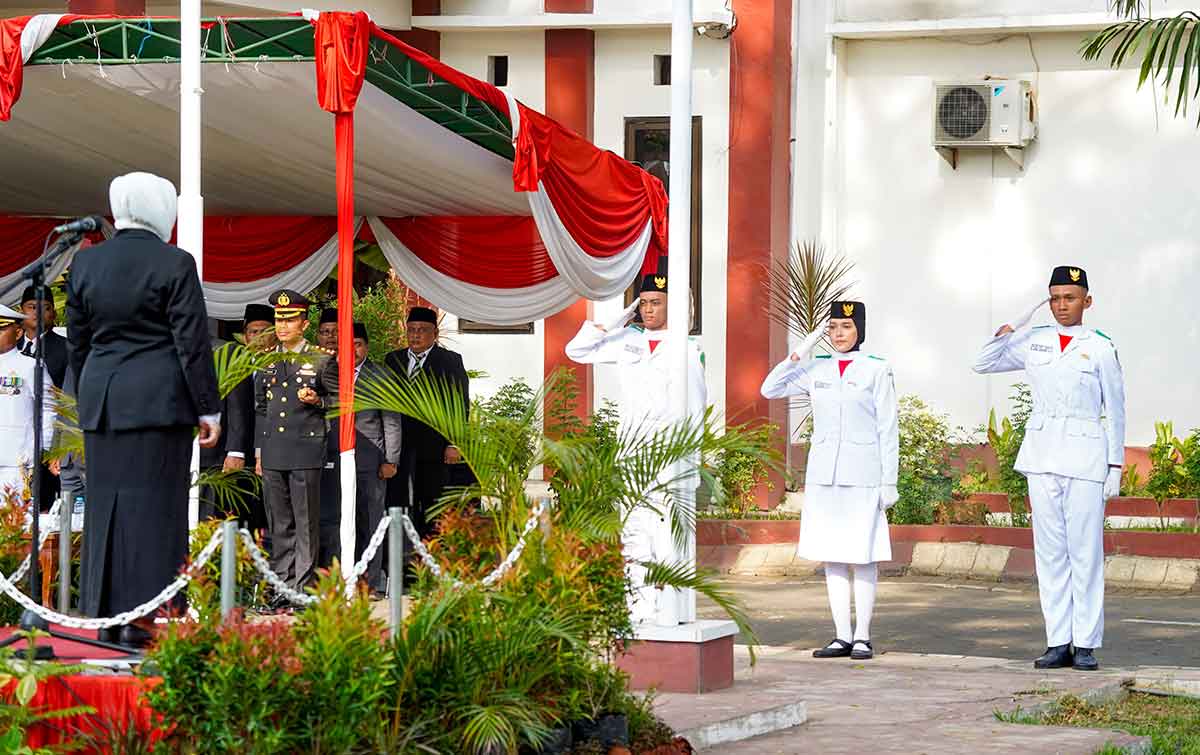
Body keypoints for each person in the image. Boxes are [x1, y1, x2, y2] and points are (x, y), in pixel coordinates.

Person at [67, 172, 220, 648]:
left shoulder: (86, 263)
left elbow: (78, 343)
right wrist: (208, 409)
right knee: (156, 509)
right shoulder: (174, 263)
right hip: (159, 402)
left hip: (105, 404)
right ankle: (148, 617)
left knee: (105, 507)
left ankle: (103, 612)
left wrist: (90, 394)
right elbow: (192, 343)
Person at [973, 266, 1125, 672]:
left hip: (1087, 458)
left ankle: (1086, 642)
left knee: (1085, 552)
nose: (1061, 305)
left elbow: (1116, 409)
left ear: (1086, 302)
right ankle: (1058, 640)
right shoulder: (1034, 341)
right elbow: (982, 362)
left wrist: (1116, 465)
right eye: (1055, 297)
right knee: (1051, 553)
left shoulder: (1101, 347)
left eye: (1070, 297)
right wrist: (1015, 324)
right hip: (1042, 456)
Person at [565, 273, 706, 626]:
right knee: (634, 528)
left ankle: (673, 610)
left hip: (671, 454)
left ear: (673, 305)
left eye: (655, 302)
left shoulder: (688, 348)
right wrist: (617, 319)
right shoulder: (628, 339)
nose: (648, 309)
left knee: (670, 532)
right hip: (633, 449)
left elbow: (696, 408)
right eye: (643, 303)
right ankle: (638, 608)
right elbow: (577, 351)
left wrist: (694, 461)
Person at [760, 301, 897, 660]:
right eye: (833, 327)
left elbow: (888, 428)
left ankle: (863, 636)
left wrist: (889, 482)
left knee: (863, 556)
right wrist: (804, 346)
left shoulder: (876, 370)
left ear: (860, 331)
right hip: (824, 475)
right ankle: (841, 636)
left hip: (864, 473)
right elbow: (769, 388)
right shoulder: (815, 368)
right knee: (833, 556)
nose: (838, 334)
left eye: (846, 327)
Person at [255, 289, 330, 597]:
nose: (283, 326)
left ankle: (302, 587)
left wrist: (319, 401)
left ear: (304, 323)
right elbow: (260, 407)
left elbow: (340, 403)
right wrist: (259, 451)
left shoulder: (321, 360)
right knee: (279, 523)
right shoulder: (266, 361)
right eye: (279, 320)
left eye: (290, 320)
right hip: (274, 451)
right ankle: (281, 585)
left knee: (305, 522)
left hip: (305, 450)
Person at [322, 323, 402, 595]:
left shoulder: (381, 375)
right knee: (334, 520)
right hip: (332, 456)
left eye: (357, 344)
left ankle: (371, 583)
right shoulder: (328, 371)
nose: (352, 350)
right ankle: (337, 580)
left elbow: (391, 420)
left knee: (370, 520)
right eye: (347, 345)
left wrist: (391, 459)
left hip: (370, 460)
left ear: (366, 346)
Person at [383, 307, 468, 544]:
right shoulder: (393, 359)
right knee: (398, 498)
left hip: (434, 444)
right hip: (400, 444)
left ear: (435, 333)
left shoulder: (449, 361)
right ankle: (401, 554)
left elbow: (460, 403)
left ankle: (432, 551)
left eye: (422, 330)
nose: (416, 335)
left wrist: (454, 443)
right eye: (411, 330)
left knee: (431, 499)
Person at [199, 303, 272, 532]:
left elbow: (238, 407)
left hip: (246, 451)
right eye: (253, 332)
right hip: (196, 451)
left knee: (227, 515)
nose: (259, 337)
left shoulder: (226, 352)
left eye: (264, 331)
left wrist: (236, 449)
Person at [17, 284, 68, 509]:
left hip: (49, 443)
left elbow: (69, 402)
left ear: (53, 314)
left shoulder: (67, 350)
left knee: (43, 506)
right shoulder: (9, 347)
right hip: (12, 440)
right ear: (21, 311)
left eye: (45, 308)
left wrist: (58, 447)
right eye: (31, 307)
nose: (37, 313)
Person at [0, 303, 55, 500]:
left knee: (15, 524)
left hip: (16, 462)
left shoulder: (30, 366)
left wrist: (42, 447)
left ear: (17, 333)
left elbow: (48, 409)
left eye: (1, 328)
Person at [317, 307, 340, 568]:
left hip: (341, 447)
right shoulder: (308, 362)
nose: (330, 337)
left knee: (336, 515)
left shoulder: (350, 362)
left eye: (335, 332)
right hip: (309, 447)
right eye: (325, 332)